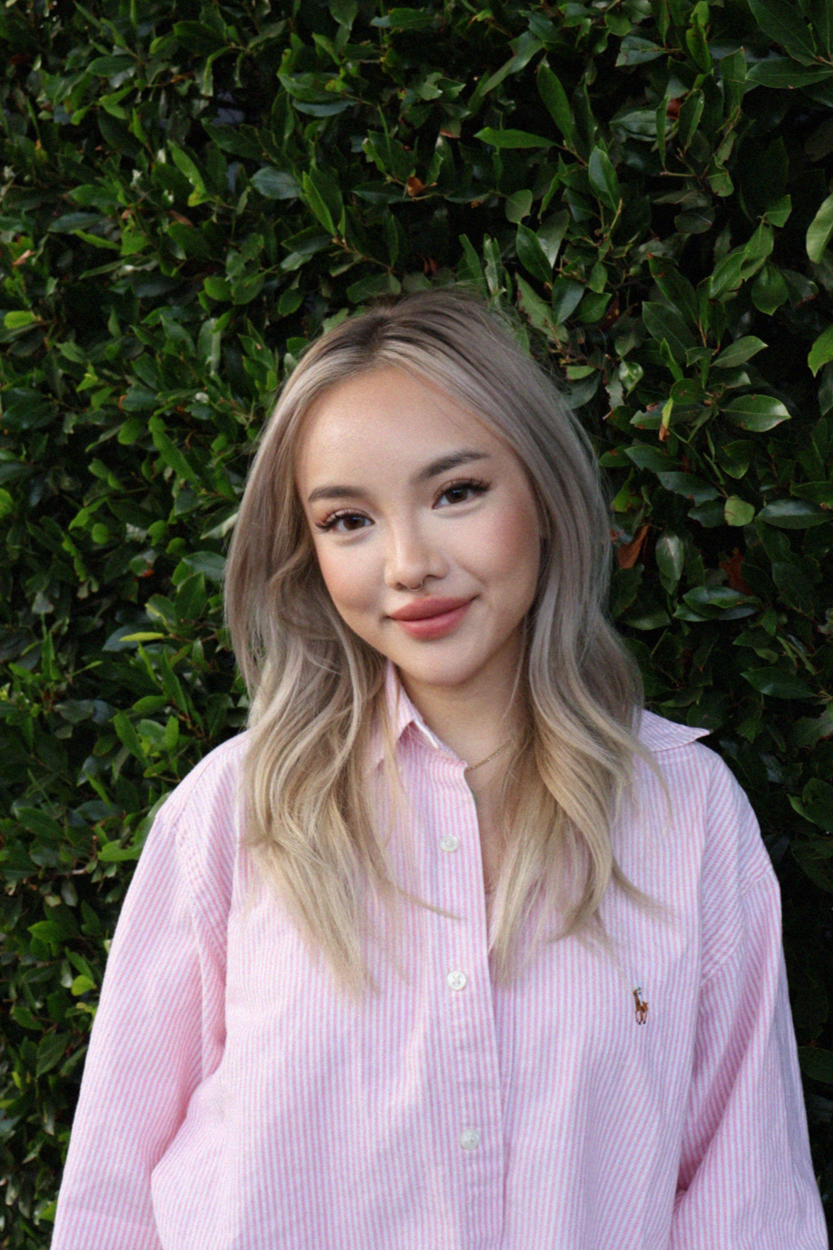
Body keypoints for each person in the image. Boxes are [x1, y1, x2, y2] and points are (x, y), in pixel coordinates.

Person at [51, 288, 827, 1249]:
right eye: (347, 520)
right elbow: (110, 1202)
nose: (407, 563)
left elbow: (744, 1203)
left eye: (456, 492)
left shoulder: (685, 811)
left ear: (541, 493)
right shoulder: (235, 813)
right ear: (307, 550)